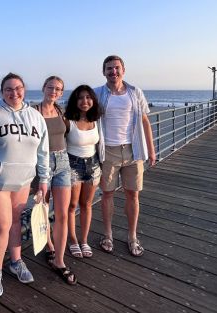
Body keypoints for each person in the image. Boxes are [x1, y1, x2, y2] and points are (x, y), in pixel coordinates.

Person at [0, 73, 49, 296]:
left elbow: (43, 152)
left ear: (24, 89)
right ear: (1, 92)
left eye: (18, 88)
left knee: (15, 223)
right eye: (8, 89)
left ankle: (15, 261)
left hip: (24, 181)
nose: (14, 93)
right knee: (2, 225)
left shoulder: (35, 116)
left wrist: (44, 180)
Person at [94, 55, 156, 257]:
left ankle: (132, 236)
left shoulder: (135, 92)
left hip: (133, 150)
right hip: (108, 151)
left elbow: (145, 121)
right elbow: (83, 115)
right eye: (109, 68)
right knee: (107, 194)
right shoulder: (97, 93)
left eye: (117, 68)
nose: (113, 71)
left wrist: (152, 149)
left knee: (133, 194)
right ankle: (108, 234)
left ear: (123, 70)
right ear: (103, 71)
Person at [32, 76, 76, 285]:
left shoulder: (62, 111)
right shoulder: (33, 111)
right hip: (42, 164)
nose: (54, 91)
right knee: (44, 209)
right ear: (43, 88)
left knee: (63, 213)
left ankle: (59, 260)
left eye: (58, 89)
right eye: (51, 87)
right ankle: (49, 244)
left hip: (63, 161)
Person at [64, 85, 103, 262]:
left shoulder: (97, 120)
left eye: (88, 97)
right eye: (80, 98)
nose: (85, 101)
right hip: (72, 165)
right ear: (75, 101)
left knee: (87, 205)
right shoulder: (68, 120)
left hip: (93, 165)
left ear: (93, 100)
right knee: (72, 206)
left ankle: (84, 240)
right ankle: (72, 240)